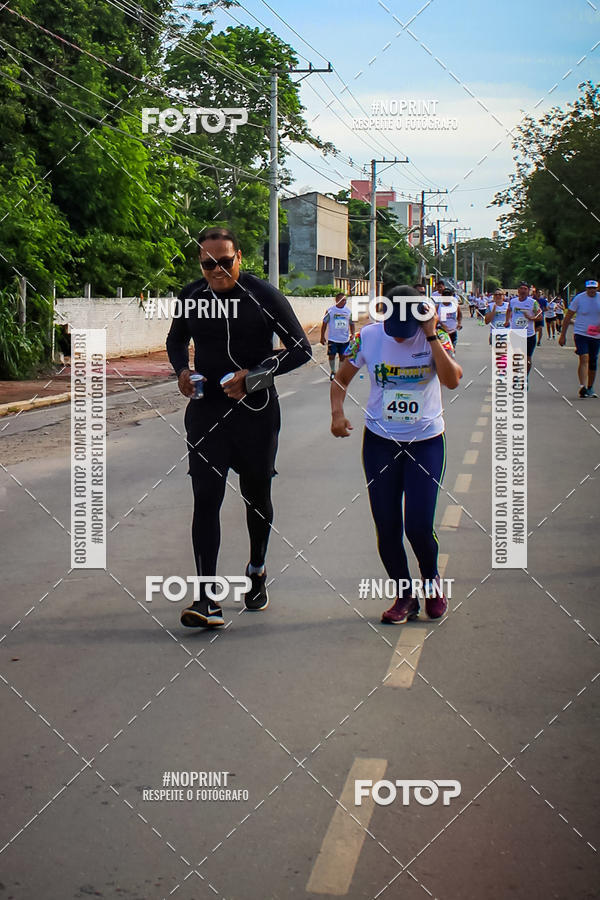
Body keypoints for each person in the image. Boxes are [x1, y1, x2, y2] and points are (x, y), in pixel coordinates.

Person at [166, 226, 311, 627]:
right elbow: (176, 341)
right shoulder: (192, 297)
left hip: (256, 414)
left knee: (256, 497)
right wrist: (182, 372)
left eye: (224, 262)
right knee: (205, 499)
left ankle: (257, 570)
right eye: (207, 263)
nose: (215, 270)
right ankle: (206, 598)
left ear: (239, 258)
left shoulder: (263, 295)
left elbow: (301, 350)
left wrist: (255, 378)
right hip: (207, 413)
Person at [329, 285, 463, 625]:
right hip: (380, 443)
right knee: (387, 526)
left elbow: (452, 380)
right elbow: (342, 377)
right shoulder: (370, 337)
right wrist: (337, 413)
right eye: (396, 329)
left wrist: (431, 336)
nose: (402, 338)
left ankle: (431, 581)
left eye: (409, 330)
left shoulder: (436, 337)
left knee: (418, 524)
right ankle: (404, 596)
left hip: (426, 442)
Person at [558, 279, 600, 398]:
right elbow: (568, 316)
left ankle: (590, 388)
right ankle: (583, 386)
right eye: (589, 288)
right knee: (584, 357)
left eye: (594, 288)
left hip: (596, 335)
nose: (592, 290)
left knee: (593, 360)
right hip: (581, 333)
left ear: (597, 288)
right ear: (586, 289)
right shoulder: (579, 298)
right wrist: (562, 335)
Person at [504, 281, 541, 384]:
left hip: (529, 335)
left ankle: (525, 377)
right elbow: (508, 310)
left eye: (525, 289)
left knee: (527, 358)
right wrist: (507, 321)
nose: (523, 290)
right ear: (518, 290)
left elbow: (540, 316)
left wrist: (531, 318)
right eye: (521, 288)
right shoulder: (513, 301)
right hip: (515, 333)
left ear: (528, 291)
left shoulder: (533, 302)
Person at [320, 292, 355, 381]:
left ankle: (339, 374)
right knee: (331, 355)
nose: (344, 302)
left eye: (345, 300)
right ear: (336, 300)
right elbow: (324, 323)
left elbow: (352, 323)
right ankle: (333, 371)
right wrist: (322, 336)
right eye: (342, 300)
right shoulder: (330, 311)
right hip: (333, 339)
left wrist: (353, 334)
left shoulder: (349, 311)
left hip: (344, 339)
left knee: (343, 356)